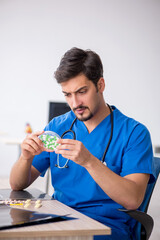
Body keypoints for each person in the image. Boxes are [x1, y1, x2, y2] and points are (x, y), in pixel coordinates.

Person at [10, 47, 155, 240]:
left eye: (82, 91)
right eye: (67, 94)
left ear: (100, 85)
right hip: (57, 220)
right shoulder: (58, 126)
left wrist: (89, 161)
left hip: (106, 227)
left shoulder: (134, 133)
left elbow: (132, 200)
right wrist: (25, 157)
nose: (75, 102)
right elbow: (17, 184)